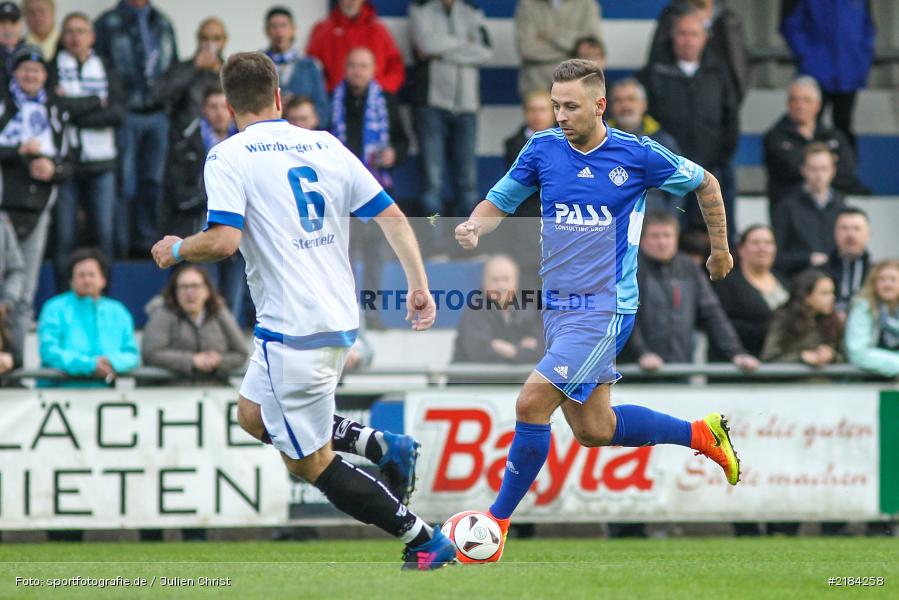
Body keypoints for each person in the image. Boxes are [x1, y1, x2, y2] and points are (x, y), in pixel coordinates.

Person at [150, 52, 454, 569]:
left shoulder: (227, 156)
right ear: (278, 97)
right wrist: (419, 286)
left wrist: (176, 249)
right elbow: (393, 216)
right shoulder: (326, 144)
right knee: (251, 415)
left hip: (293, 331)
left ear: (229, 106)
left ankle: (423, 538)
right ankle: (381, 446)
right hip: (332, 319)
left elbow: (223, 240)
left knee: (310, 463)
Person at [454, 59, 745, 559]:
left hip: (605, 309)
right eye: (555, 105)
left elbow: (707, 183)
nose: (560, 115)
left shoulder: (637, 154)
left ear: (599, 105)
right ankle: (701, 434)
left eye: (571, 106)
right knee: (594, 429)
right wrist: (475, 225)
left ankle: (495, 525)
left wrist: (719, 249)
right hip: (558, 309)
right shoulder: (542, 148)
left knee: (531, 403)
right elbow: (499, 201)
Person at [640, 7, 739, 239]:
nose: (688, 40)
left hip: (712, 166)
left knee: (714, 235)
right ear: (672, 37)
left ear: (704, 38)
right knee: (671, 233)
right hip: (669, 170)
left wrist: (721, 157)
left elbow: (731, 119)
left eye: (694, 34)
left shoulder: (719, 74)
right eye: (682, 34)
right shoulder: (653, 74)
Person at [331, 46, 408, 326]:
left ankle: (373, 314)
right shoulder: (333, 99)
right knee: (344, 255)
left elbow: (403, 140)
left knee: (375, 254)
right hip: (341, 191)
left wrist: (394, 154)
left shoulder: (386, 100)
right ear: (345, 69)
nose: (358, 71)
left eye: (364, 66)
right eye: (353, 65)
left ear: (373, 70)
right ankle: (348, 314)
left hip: (376, 187)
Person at [623, 212, 760, 371]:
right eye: (655, 236)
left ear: (676, 238)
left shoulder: (690, 268)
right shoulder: (628, 269)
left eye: (667, 236)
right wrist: (642, 353)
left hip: (681, 369)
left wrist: (736, 352)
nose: (662, 242)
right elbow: (624, 316)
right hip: (636, 371)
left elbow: (712, 314)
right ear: (641, 239)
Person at [94, 0, 178, 257]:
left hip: (158, 115)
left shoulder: (163, 23)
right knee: (125, 182)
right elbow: (101, 68)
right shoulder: (106, 23)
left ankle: (147, 244)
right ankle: (123, 246)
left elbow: (172, 68)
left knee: (154, 181)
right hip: (126, 114)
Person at [409, 0, 491, 258]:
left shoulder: (472, 12)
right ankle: (435, 246)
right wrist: (464, 43)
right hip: (431, 105)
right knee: (432, 184)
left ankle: (467, 247)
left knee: (467, 183)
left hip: (467, 107)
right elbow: (425, 45)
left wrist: (441, 51)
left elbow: (485, 51)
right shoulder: (420, 10)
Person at [49, 12, 126, 288]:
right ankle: (63, 296)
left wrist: (73, 110)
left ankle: (102, 296)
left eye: (81, 31)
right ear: (62, 36)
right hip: (66, 162)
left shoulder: (105, 66)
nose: (75, 37)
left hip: (102, 162)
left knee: (104, 234)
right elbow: (53, 107)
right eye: (69, 31)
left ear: (92, 37)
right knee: (64, 236)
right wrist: (95, 101)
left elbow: (118, 113)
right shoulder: (52, 67)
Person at [0, 46, 74, 319]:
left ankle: (16, 344)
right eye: (25, 69)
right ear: (14, 73)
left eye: (37, 70)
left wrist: (53, 170)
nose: (31, 75)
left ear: (45, 75)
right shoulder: (5, 104)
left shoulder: (55, 110)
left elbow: (69, 161)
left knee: (25, 293)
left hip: (38, 208)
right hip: (4, 209)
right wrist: (19, 152)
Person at [163, 85, 245, 320]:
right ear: (203, 110)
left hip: (237, 235)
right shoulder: (186, 140)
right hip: (199, 230)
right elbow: (176, 190)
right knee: (204, 303)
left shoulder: (243, 143)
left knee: (231, 306)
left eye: (224, 107)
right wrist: (212, 198)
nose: (219, 113)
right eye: (213, 107)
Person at [763, 76, 869, 211]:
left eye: (807, 100)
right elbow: (788, 170)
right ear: (788, 104)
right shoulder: (774, 137)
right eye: (795, 100)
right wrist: (826, 170)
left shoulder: (834, 136)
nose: (800, 105)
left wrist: (809, 172)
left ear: (818, 105)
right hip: (788, 212)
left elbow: (848, 173)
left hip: (831, 211)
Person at [38, 248, 140, 386]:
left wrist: (111, 362)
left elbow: (132, 355)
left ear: (103, 280)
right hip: (58, 393)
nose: (87, 280)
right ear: (71, 281)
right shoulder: (54, 308)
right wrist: (89, 365)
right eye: (81, 275)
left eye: (92, 275)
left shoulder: (118, 312)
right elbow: (49, 352)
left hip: (104, 394)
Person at [781, 0, 875, 148]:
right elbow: (791, 25)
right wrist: (807, 57)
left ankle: (845, 161)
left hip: (848, 72)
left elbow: (867, 26)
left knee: (844, 124)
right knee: (809, 124)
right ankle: (806, 160)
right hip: (815, 72)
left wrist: (861, 57)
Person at [142, 265, 248, 385]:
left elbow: (241, 353)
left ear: (207, 291)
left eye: (195, 286)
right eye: (183, 287)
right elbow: (151, 353)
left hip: (215, 389)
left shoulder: (219, 311)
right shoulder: (163, 312)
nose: (189, 292)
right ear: (175, 292)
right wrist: (192, 361)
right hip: (170, 390)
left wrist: (219, 361)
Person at [499, 89, 555, 289]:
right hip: (525, 225)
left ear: (553, 112)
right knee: (528, 289)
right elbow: (530, 180)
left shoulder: (570, 141)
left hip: (558, 227)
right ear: (524, 112)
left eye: (542, 110)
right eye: (532, 110)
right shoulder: (513, 144)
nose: (537, 115)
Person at [607, 78, 683, 218]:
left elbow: (679, 187)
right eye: (618, 100)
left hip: (654, 223)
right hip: (611, 223)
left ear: (644, 104)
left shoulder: (663, 142)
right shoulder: (599, 141)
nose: (625, 105)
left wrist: (670, 221)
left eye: (631, 99)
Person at [649, 0, 750, 104]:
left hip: (718, 90)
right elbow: (657, 58)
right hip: (676, 89)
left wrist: (737, 94)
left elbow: (738, 62)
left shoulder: (729, 18)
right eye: (683, 33)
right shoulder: (672, 15)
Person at [712, 224, 788, 359]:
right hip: (744, 361)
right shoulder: (727, 283)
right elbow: (721, 324)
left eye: (768, 243)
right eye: (755, 243)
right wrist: (769, 328)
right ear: (741, 249)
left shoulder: (785, 281)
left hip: (782, 361)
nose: (762, 248)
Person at [772, 143, 846, 279]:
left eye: (824, 168)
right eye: (813, 169)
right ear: (803, 170)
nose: (819, 175)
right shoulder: (787, 206)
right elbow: (776, 255)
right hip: (799, 280)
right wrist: (807, 259)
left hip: (835, 279)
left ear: (833, 170)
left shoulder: (841, 205)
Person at [452, 255, 543, 364]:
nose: (501, 285)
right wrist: (520, 351)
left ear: (516, 282)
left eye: (506, 279)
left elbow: (542, 349)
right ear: (484, 282)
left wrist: (510, 350)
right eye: (495, 280)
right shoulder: (474, 310)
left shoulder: (527, 311)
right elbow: (479, 352)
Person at [306, 0, 404, 94]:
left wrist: (380, 88)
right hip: (334, 99)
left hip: (376, 98)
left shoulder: (379, 30)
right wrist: (329, 90)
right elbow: (310, 68)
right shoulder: (322, 30)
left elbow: (396, 67)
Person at [153, 17, 226, 136]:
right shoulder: (183, 68)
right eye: (205, 38)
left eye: (216, 38)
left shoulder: (230, 73)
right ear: (198, 39)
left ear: (225, 40)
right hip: (187, 138)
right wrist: (193, 66)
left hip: (223, 137)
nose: (210, 44)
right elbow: (162, 94)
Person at [514, 0, 602, 95]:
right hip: (537, 87)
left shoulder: (587, 4)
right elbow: (526, 50)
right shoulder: (527, 4)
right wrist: (574, 49)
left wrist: (550, 36)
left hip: (577, 86)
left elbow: (592, 48)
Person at [263, 6, 329, 129]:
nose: (279, 31)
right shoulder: (257, 66)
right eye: (274, 26)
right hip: (269, 134)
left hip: (304, 135)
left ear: (293, 29)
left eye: (284, 26)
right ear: (267, 31)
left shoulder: (310, 66)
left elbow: (323, 111)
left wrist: (302, 110)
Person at [762, 269, 843, 366]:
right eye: (824, 293)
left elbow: (845, 358)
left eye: (832, 292)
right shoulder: (784, 319)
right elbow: (769, 358)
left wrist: (831, 356)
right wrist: (801, 357)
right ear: (806, 297)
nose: (832, 298)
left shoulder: (833, 321)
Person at [846, 259, 899, 378]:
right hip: (866, 380)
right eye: (882, 280)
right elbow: (858, 353)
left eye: (893, 280)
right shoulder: (863, 307)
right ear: (873, 283)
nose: (887, 285)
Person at [827, 207, 871, 316]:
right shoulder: (820, 272)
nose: (850, 234)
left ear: (868, 234)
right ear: (835, 233)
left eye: (856, 228)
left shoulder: (876, 274)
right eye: (844, 228)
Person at [0, 212, 25, 373]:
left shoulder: (2, 223)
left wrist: (7, 301)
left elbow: (16, 269)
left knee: (13, 360)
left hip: (3, 317)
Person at [0, 2, 24, 88]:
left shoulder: (29, 52)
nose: (7, 27)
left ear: (21, 25)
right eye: (2, 22)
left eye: (13, 22)